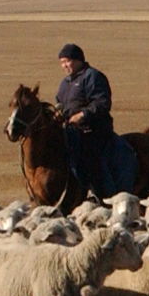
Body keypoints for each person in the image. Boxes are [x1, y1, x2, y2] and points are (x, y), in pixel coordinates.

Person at [55, 43, 134, 199]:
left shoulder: (92, 76)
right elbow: (60, 104)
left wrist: (83, 115)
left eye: (67, 61)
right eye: (62, 63)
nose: (64, 66)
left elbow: (102, 102)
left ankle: (100, 194)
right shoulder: (65, 84)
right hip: (71, 131)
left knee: (90, 159)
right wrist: (58, 115)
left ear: (78, 60)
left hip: (93, 130)